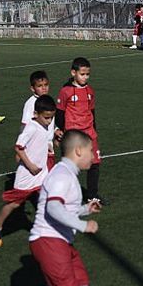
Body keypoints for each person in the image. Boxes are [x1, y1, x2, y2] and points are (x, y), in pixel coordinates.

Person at [11, 129, 100, 286]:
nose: (94, 155)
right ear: (78, 151)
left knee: (80, 285)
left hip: (59, 241)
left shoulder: (67, 175)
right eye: (91, 151)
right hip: (49, 240)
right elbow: (53, 208)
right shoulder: (62, 175)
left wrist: (84, 210)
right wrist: (83, 226)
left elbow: (62, 208)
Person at [0, 95, 58, 248]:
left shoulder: (44, 125)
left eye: (51, 118)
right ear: (36, 114)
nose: (49, 121)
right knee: (14, 203)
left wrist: (51, 146)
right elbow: (18, 147)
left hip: (41, 172)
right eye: (46, 118)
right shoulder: (31, 127)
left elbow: (42, 142)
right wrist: (30, 165)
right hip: (28, 174)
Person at [55, 58, 102, 202]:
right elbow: (60, 113)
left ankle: (92, 195)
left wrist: (94, 129)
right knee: (71, 166)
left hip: (89, 133)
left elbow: (91, 111)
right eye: (82, 74)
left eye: (87, 74)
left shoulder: (90, 90)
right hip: (73, 134)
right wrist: (59, 131)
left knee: (95, 164)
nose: (85, 77)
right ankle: (66, 195)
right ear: (73, 73)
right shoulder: (65, 91)